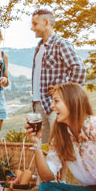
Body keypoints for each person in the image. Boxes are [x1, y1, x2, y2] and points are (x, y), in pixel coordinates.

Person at [31, 8, 86, 143]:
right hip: (39, 104)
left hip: (56, 105)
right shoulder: (39, 48)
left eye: (35, 24)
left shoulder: (61, 44)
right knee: (43, 147)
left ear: (46, 22)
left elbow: (79, 69)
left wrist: (63, 92)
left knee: (60, 145)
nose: (32, 28)